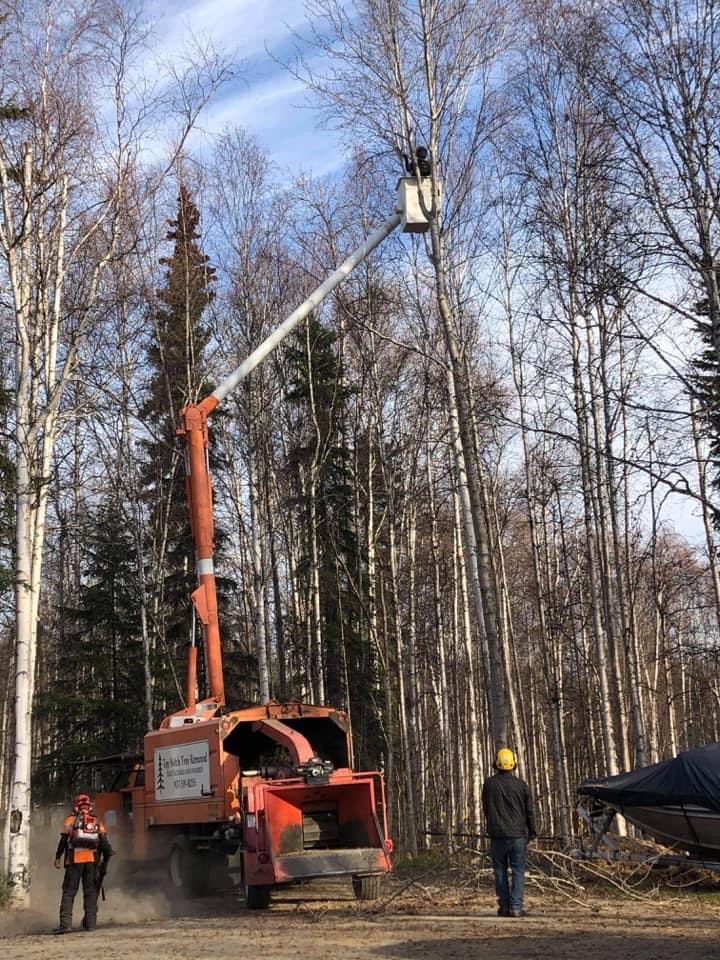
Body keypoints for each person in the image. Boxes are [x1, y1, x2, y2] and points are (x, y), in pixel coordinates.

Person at [482, 748, 536, 918]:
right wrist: (533, 831)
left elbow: (486, 809)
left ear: (496, 763)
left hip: (497, 835)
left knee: (500, 870)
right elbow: (529, 812)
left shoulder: (489, 784)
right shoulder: (522, 786)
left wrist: (490, 826)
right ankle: (516, 907)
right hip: (518, 836)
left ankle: (504, 907)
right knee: (518, 871)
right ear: (514, 763)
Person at [53, 792, 113, 934]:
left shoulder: (70, 820)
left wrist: (58, 857)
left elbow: (63, 840)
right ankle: (90, 925)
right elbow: (105, 846)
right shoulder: (97, 822)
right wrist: (104, 863)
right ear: (90, 807)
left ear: (76, 807)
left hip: (74, 861)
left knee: (69, 892)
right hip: (91, 862)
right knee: (90, 893)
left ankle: (65, 925)